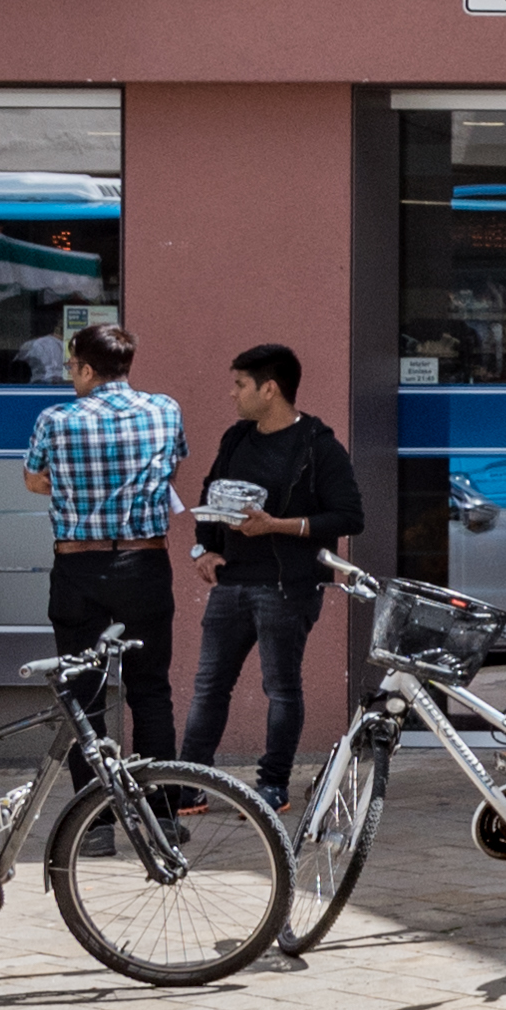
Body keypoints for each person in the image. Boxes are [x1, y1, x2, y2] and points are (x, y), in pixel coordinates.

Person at [180, 343, 367, 815]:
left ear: (270, 389)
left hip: (287, 587)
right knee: (209, 686)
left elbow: (349, 516)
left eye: (240, 385)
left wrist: (277, 527)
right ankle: (189, 783)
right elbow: (211, 491)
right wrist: (205, 548)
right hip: (232, 583)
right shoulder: (237, 437)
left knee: (280, 688)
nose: (232, 394)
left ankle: (273, 786)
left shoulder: (319, 446)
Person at [20, 316, 184, 764]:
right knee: (151, 688)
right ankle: (162, 813)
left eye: (72, 367)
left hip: (79, 567)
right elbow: (172, 466)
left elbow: (33, 481)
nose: (70, 375)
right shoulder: (164, 410)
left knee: (81, 695)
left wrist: (76, 485)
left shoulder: (55, 419)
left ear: (88, 370)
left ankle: (93, 824)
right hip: (145, 563)